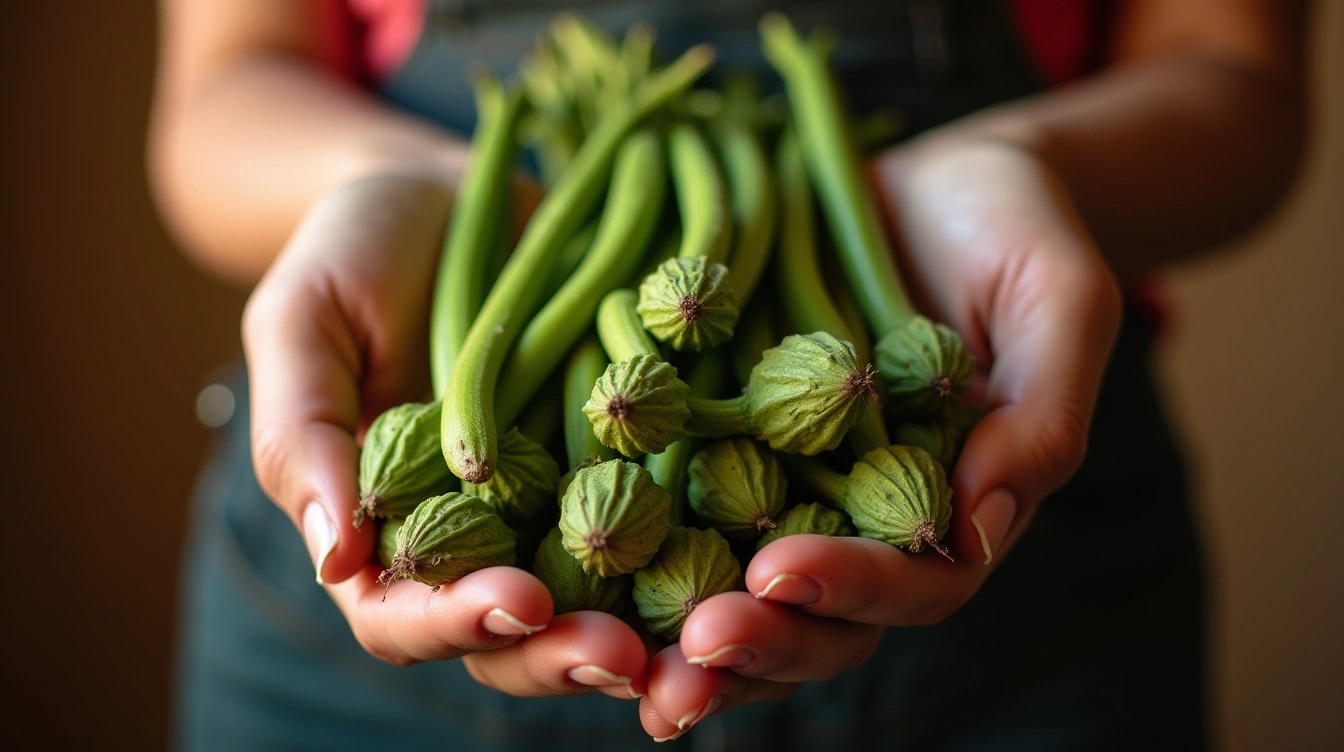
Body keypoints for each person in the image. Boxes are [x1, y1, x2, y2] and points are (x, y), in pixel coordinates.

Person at [150, 0, 1307, 749]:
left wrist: (1021, 165)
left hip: (1024, 613)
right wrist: (384, 181)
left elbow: (1234, 74)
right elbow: (224, 88)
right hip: (344, 651)